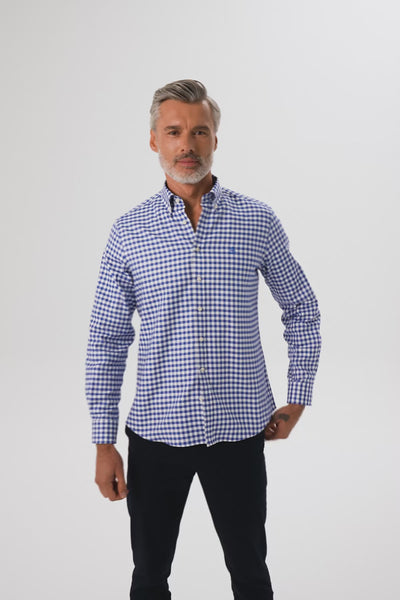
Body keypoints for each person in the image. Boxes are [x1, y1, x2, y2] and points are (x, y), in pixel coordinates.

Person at [86, 79, 321, 600]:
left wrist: (298, 396)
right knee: (149, 577)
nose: (186, 144)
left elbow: (302, 309)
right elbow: (107, 338)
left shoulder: (255, 220)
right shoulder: (129, 232)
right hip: (156, 433)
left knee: (250, 574)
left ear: (215, 139)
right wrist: (104, 443)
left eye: (199, 131)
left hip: (238, 432)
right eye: (174, 132)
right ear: (154, 140)